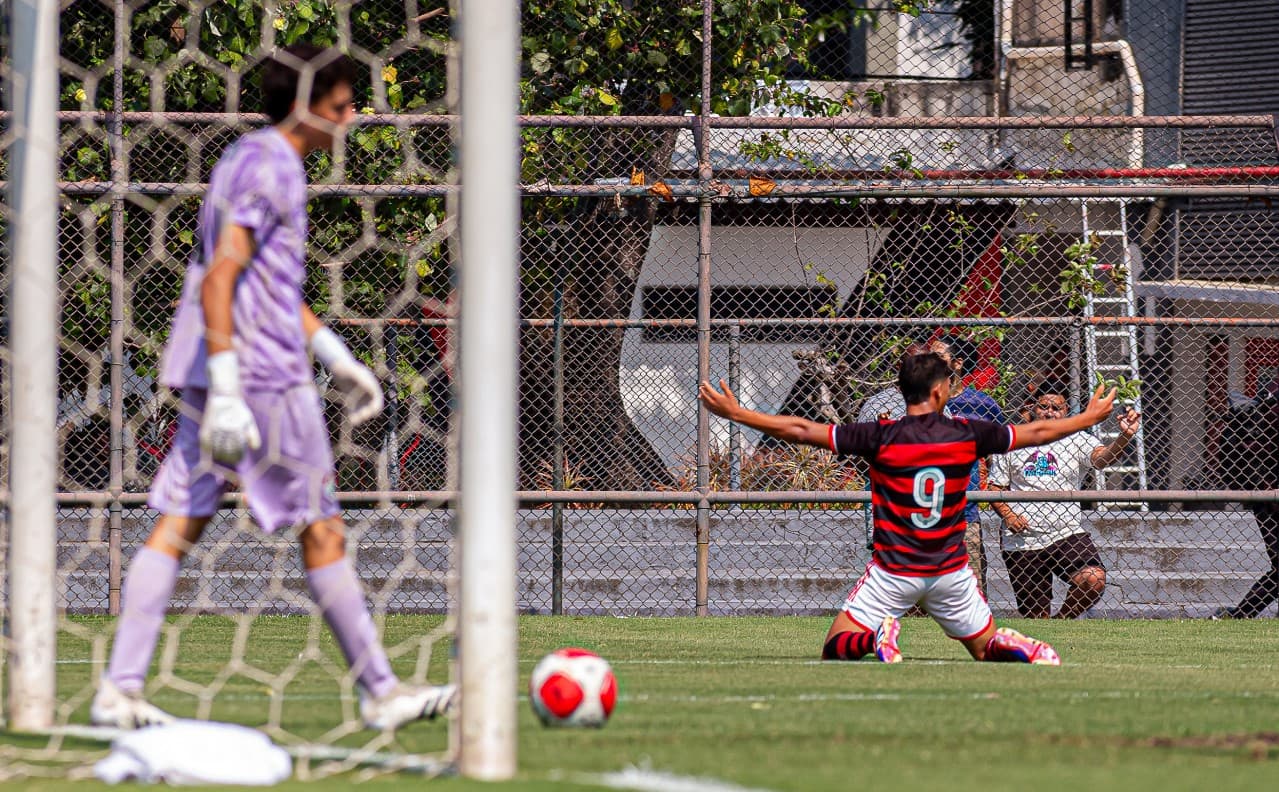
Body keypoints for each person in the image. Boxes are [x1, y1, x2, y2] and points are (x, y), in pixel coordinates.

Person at [90, 44, 456, 731]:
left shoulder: (242, 156)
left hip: (216, 363)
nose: (351, 118)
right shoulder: (274, 168)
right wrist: (232, 386)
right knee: (322, 526)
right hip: (260, 374)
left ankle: (119, 688)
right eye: (342, 106)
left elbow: (266, 280)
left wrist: (335, 354)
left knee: (179, 522)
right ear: (306, 105)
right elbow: (225, 276)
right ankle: (380, 689)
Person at [700, 352, 1120, 664]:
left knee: (835, 647)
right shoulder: (967, 433)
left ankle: (873, 638)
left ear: (902, 391)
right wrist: (1085, 419)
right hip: (951, 571)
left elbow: (802, 428)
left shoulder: (880, 434)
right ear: (941, 391)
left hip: (894, 569)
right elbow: (1039, 430)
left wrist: (737, 412)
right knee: (982, 648)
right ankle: (1014, 644)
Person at [987, 381, 1140, 619]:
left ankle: (1064, 621)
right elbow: (994, 487)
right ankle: (1049, 630)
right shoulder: (1014, 440)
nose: (1049, 412)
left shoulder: (1076, 439)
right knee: (1036, 617)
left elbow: (1101, 460)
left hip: (1065, 532)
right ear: (1032, 408)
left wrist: (1124, 437)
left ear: (1066, 410)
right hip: (1023, 539)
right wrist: (1009, 515)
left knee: (1093, 579)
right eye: (1043, 406)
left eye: (1056, 408)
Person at [936, 335, 1004, 595]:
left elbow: (998, 455)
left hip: (965, 512)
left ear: (957, 363)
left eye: (939, 356)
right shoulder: (920, 404)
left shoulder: (983, 406)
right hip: (923, 513)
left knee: (971, 591)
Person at [1214, 381, 1279, 619]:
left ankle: (1241, 614)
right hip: (1267, 493)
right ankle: (1241, 614)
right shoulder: (1272, 401)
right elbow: (1258, 449)